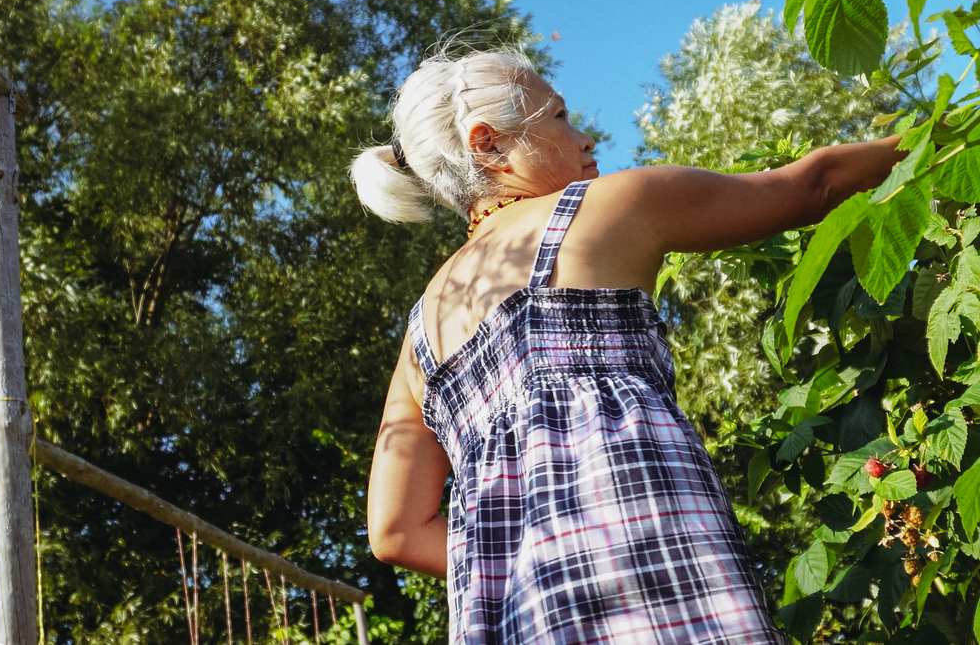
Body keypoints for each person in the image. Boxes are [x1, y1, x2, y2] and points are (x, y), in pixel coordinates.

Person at [356, 48, 907, 644]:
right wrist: (949, 135)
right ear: (487, 144)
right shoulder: (608, 205)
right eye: (559, 116)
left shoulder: (422, 332)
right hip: (650, 572)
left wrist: (526, 559)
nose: (585, 137)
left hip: (526, 619)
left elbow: (394, 531)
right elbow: (817, 185)